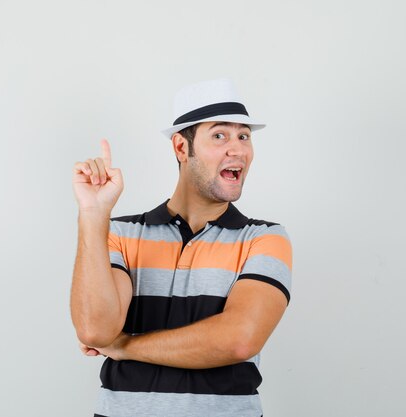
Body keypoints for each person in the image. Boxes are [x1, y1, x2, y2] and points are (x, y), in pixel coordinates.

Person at [70, 78, 293, 417]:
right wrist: (93, 213)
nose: (238, 149)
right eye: (220, 135)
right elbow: (95, 329)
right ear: (180, 147)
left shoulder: (264, 239)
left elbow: (239, 340)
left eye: (243, 136)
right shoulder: (120, 231)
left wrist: (125, 345)